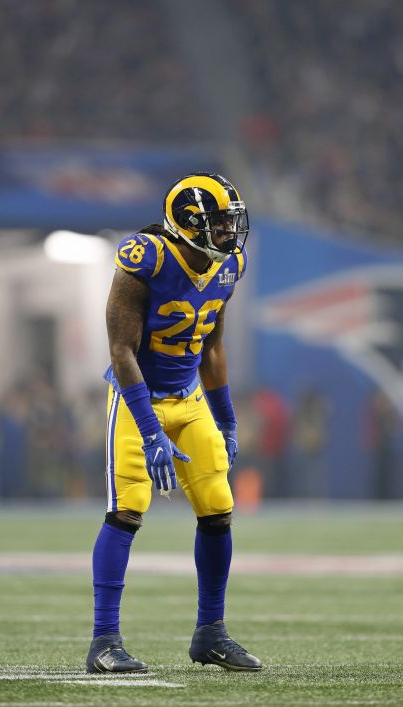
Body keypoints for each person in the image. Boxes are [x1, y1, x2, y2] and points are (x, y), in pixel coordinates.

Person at [87, 173, 263, 674]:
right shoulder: (147, 259)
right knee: (129, 510)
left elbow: (212, 346)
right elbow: (121, 350)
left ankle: (211, 632)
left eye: (232, 221)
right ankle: (104, 642)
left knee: (218, 506)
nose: (230, 232)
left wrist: (227, 420)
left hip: (189, 399)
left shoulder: (228, 266)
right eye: (219, 223)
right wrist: (148, 429)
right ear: (188, 224)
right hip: (137, 396)